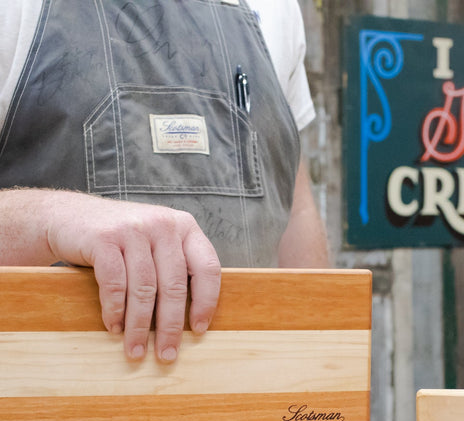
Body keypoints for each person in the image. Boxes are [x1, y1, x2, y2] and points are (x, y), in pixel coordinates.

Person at [0, 0, 329, 362]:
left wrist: (323, 371)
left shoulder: (278, 9)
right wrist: (48, 218)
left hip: (255, 398)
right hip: (50, 401)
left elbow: (294, 208)